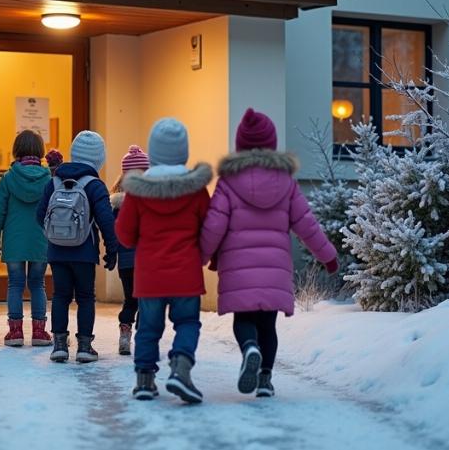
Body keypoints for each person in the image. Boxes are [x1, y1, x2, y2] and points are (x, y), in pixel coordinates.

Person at [200, 108, 339, 398]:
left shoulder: (228, 182)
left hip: (238, 270)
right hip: (274, 269)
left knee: (244, 321)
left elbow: (214, 225)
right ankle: (265, 378)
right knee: (268, 326)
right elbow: (306, 224)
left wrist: (200, 256)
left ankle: (249, 349)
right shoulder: (286, 182)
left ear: (240, 145)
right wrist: (327, 255)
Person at [116, 118, 212, 404]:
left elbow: (124, 234)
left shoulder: (137, 191)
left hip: (150, 275)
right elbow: (209, 228)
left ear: (154, 153)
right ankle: (181, 368)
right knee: (187, 323)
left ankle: (144, 380)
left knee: (147, 327)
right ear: (183, 152)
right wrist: (203, 255)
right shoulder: (196, 189)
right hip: (186, 273)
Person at [36, 131, 119, 363]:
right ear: (99, 159)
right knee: (85, 297)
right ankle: (84, 346)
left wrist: (54, 236)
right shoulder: (95, 185)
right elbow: (106, 221)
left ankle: (59, 345)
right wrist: (112, 250)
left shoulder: (54, 181)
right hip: (84, 252)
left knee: (60, 296)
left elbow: (40, 214)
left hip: (57, 252)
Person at [0, 130, 53, 347]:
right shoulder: (49, 179)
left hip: (14, 240)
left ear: (17, 150)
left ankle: (15, 332)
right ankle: (39, 332)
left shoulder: (8, 179)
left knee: (15, 284)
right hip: (40, 240)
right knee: (38, 284)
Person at [109, 145, 151, 356]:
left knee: (130, 299)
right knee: (146, 301)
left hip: (126, 262)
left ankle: (125, 335)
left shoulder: (116, 202)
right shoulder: (151, 199)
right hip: (147, 261)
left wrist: (114, 254)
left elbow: (116, 233)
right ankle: (144, 338)